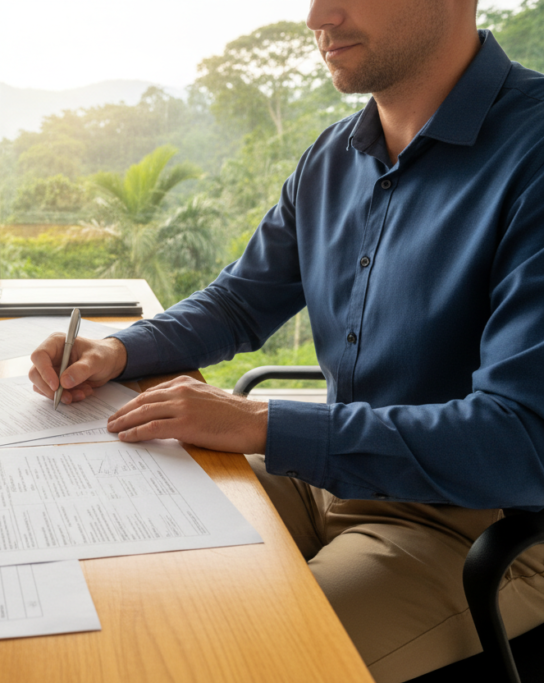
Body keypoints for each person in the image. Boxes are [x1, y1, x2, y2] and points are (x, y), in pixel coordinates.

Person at [28, 1, 544, 681]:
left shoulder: (532, 151)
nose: (316, 16)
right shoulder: (333, 156)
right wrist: (119, 350)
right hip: (322, 482)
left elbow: (521, 440)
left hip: (468, 526)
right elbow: (241, 300)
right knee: (110, 544)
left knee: (221, 662)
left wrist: (262, 422)